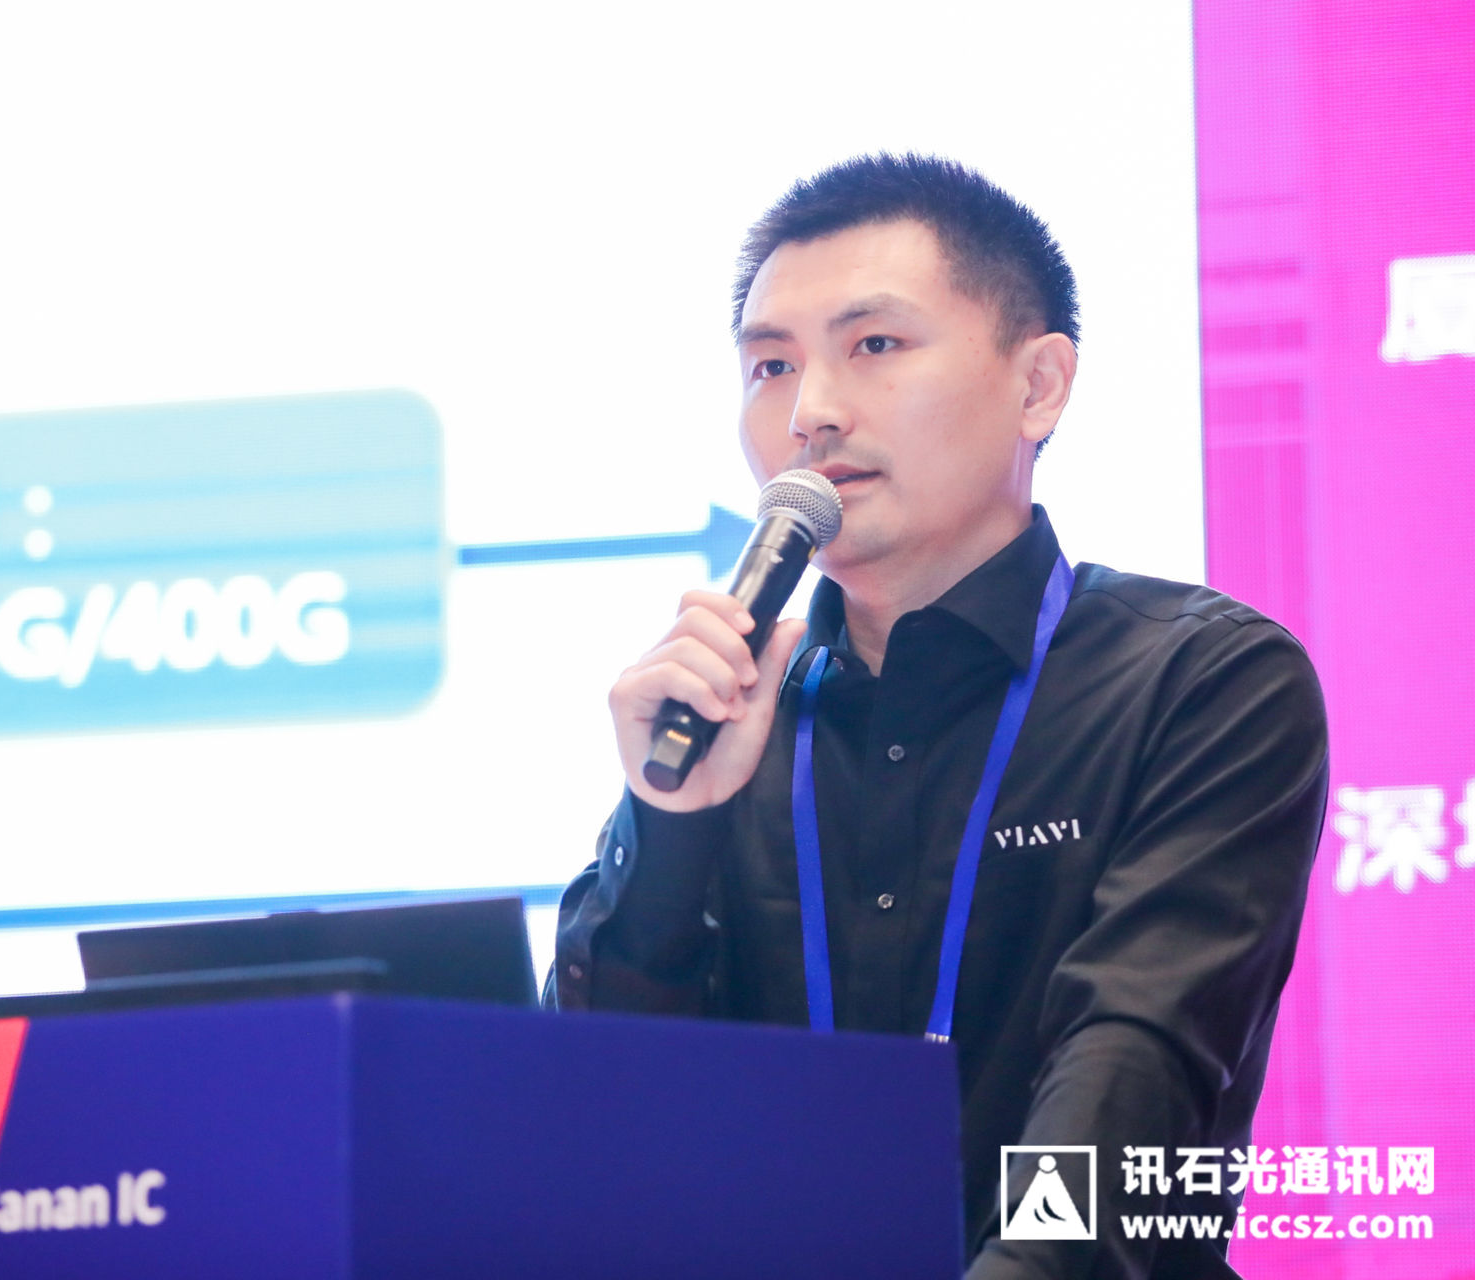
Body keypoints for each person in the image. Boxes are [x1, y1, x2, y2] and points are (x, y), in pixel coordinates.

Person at [549, 154, 1327, 1278]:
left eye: (874, 345)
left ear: (1039, 384)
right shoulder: (729, 712)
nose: (810, 412)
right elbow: (598, 1131)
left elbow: (1130, 1071)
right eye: (771, 365)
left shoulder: (1200, 681)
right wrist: (668, 827)